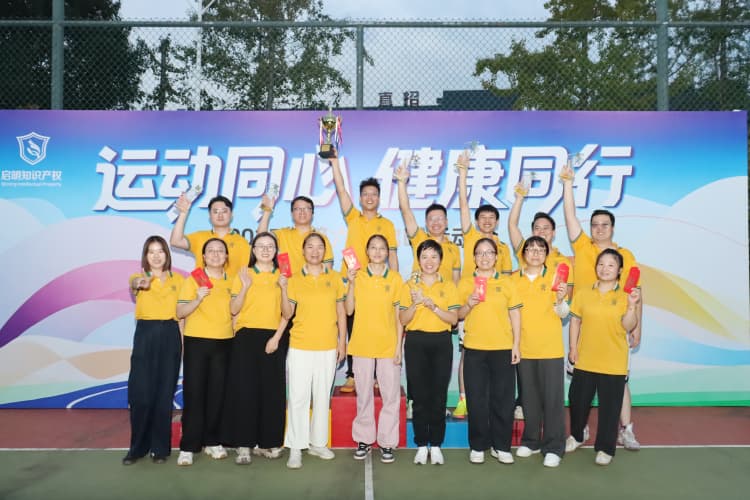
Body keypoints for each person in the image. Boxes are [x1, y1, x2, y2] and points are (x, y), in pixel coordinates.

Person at [560, 163, 642, 450]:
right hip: (585, 324)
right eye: (595, 224)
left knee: (618, 382)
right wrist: (567, 183)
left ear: (612, 228)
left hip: (615, 326)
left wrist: (637, 328)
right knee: (581, 386)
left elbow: (635, 294)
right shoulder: (583, 247)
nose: (599, 229)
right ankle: (579, 430)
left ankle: (626, 430)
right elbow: (570, 216)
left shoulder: (625, 256)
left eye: (604, 225)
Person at [330, 152, 399, 394]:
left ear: (379, 198)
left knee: (380, 327)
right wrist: (334, 163)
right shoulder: (353, 218)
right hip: (353, 282)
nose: (370, 198)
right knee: (352, 327)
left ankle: (379, 376)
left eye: (374, 194)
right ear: (360, 198)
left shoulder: (387, 225)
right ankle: (352, 375)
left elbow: (392, 255)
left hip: (379, 285)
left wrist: (395, 283)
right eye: (365, 194)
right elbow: (341, 190)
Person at [565, 249, 641, 466]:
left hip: (613, 361)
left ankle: (606, 448)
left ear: (619, 270)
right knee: (578, 402)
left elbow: (628, 325)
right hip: (585, 358)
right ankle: (577, 436)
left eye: (610, 265)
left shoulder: (626, 296)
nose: (605, 269)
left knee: (610, 407)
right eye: (601, 264)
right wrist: (573, 348)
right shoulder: (583, 294)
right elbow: (575, 321)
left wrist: (632, 306)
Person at [453, 152, 513, 419]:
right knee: (468, 353)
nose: (487, 221)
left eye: (492, 218)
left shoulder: (504, 249)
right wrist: (463, 173)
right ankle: (464, 399)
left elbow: (509, 281)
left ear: (497, 221)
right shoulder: (471, 238)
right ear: (477, 222)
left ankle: (487, 402)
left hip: (497, 312)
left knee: (495, 361)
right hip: (471, 304)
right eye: (483, 218)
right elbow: (463, 205)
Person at [221, 232, 289, 465]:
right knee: (245, 391)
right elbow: (233, 309)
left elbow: (287, 314)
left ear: (276, 251)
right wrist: (245, 287)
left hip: (274, 338)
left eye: (270, 246)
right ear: (253, 249)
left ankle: (269, 442)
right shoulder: (244, 274)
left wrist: (277, 338)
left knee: (272, 392)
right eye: (261, 246)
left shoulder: (283, 276)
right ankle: (244, 444)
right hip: (246, 337)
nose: (266, 250)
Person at [282, 232, 347, 469]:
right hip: (300, 345)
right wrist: (282, 289)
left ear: (325, 251)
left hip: (328, 345)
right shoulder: (294, 279)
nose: (315, 251)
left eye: (319, 247)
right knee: (298, 397)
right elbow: (287, 313)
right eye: (310, 246)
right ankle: (296, 447)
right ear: (303, 251)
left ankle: (318, 443)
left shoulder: (335, 277)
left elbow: (341, 312)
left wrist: (342, 342)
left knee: (321, 396)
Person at [508, 182, 570, 421]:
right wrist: (519, 198)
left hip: (549, 340)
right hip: (524, 341)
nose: (541, 232)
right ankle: (529, 428)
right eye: (536, 228)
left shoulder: (562, 263)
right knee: (528, 392)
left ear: (553, 232)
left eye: (546, 228)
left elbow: (565, 305)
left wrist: (561, 301)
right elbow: (512, 225)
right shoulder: (525, 258)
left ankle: (553, 437)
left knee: (551, 395)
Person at [456, 238, 521, 465]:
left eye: (489, 253)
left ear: (496, 256)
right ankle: (478, 445)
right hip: (474, 348)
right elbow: (458, 316)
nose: (484, 257)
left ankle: (501, 446)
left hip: (502, 348)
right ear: (474, 258)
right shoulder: (466, 283)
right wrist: (469, 303)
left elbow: (515, 314)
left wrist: (516, 344)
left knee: (503, 399)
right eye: (480, 253)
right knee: (476, 399)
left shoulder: (507, 283)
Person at [122, 235, 184, 466]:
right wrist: (141, 283)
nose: (156, 256)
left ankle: (160, 449)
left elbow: (181, 316)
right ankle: (137, 448)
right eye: (151, 252)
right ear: (146, 256)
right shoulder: (138, 277)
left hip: (170, 335)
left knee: (164, 395)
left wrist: (183, 345)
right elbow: (135, 285)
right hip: (146, 335)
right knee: (141, 396)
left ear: (167, 254)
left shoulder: (179, 280)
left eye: (160, 251)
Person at [399, 239, 460, 466]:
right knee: (420, 396)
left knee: (438, 396)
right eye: (424, 256)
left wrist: (433, 306)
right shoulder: (409, 286)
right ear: (418, 260)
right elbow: (403, 319)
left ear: (440, 260)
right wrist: (416, 304)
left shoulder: (449, 286)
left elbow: (453, 319)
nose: (429, 261)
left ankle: (436, 445)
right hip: (416, 342)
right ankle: (421, 444)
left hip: (441, 342)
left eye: (434, 256)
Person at [511, 236, 570, 468]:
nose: (535, 253)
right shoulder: (513, 279)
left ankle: (554, 447)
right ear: (523, 253)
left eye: (540, 249)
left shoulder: (556, 277)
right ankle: (531, 441)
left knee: (552, 400)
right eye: (531, 249)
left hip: (550, 349)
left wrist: (560, 299)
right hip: (524, 348)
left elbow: (563, 313)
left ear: (546, 254)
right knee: (529, 398)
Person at [345, 234, 404, 464]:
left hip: (388, 345)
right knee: (364, 394)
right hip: (362, 344)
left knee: (390, 396)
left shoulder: (396, 278)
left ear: (388, 253)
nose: (378, 252)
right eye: (373, 248)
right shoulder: (357, 276)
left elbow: (399, 317)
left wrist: (399, 346)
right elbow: (349, 310)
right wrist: (350, 283)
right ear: (367, 252)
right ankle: (364, 439)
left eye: (382, 248)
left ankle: (387, 442)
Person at [175, 238, 234, 466]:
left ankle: (212, 441)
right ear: (203, 256)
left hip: (224, 342)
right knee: (194, 394)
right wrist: (198, 298)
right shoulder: (194, 279)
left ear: (226, 256)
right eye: (211, 251)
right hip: (197, 342)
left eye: (220, 251)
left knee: (217, 395)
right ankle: (188, 446)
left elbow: (235, 312)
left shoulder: (232, 281)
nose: (216, 254)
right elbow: (180, 312)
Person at [395, 161, 461, 284]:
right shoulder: (419, 238)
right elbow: (405, 210)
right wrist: (401, 182)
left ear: (446, 222)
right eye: (431, 219)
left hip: (444, 296)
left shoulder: (454, 248)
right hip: (418, 294)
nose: (435, 222)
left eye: (439, 218)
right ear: (426, 223)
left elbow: (456, 281)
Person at [170, 194, 251, 278]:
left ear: (231, 214)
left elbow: (247, 274)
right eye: (215, 212)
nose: (220, 215)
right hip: (202, 286)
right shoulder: (200, 237)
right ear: (209, 215)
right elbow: (175, 241)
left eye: (224, 211)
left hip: (229, 286)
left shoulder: (241, 242)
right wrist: (183, 213)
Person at [258, 194, 334, 275]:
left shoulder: (321, 238)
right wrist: (267, 211)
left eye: (306, 208)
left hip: (312, 282)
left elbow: (327, 271)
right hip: (286, 282)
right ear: (292, 213)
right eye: (297, 209)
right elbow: (261, 239)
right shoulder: (282, 234)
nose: (302, 212)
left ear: (312, 213)